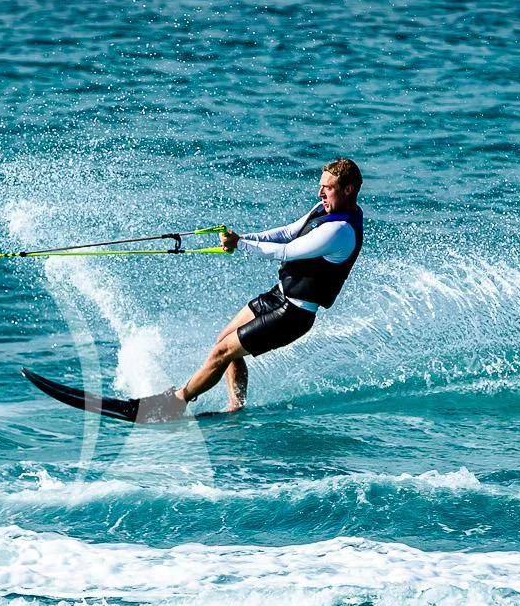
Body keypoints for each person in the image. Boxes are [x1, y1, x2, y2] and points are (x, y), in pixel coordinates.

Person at [144, 157, 365, 420]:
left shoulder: (341, 231)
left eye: (327, 188)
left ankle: (174, 403)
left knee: (221, 352)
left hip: (293, 315)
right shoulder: (322, 210)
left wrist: (241, 245)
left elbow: (287, 251)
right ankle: (236, 409)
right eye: (321, 187)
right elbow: (286, 234)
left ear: (348, 189)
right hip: (279, 295)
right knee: (223, 341)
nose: (320, 193)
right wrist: (244, 238)